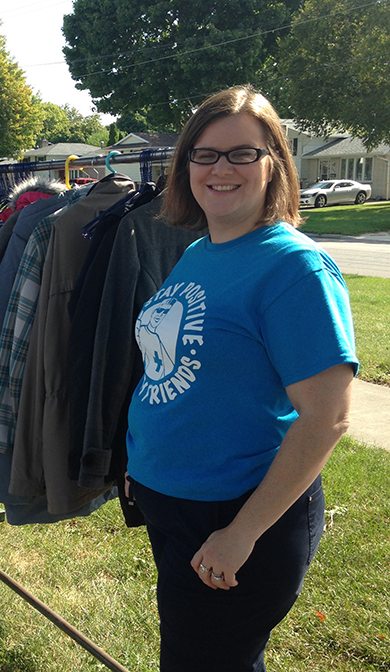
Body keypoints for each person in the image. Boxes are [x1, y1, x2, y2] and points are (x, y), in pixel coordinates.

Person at [126, 86, 357, 672]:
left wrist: (242, 533)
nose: (220, 168)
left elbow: (327, 417)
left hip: (234, 515)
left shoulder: (294, 268)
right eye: (204, 154)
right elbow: (172, 368)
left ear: (273, 163)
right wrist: (143, 462)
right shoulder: (200, 251)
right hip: (175, 502)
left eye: (241, 154)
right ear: (185, 167)